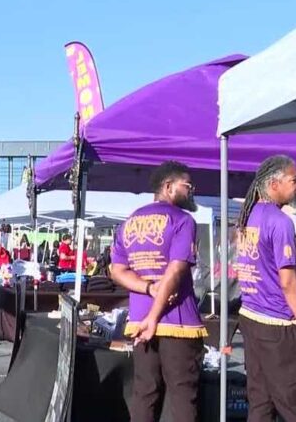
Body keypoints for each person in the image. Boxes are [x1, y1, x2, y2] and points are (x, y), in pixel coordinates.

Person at [110, 160, 207, 422]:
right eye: (187, 185)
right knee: (183, 394)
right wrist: (155, 315)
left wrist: (148, 288)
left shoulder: (129, 222)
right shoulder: (183, 220)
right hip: (177, 320)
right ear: (168, 186)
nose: (191, 191)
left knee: (145, 393)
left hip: (140, 319)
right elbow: (175, 271)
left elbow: (117, 270)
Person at [234, 155, 296, 422]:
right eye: (294, 180)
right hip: (278, 325)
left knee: (261, 403)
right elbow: (289, 282)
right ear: (273, 184)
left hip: (250, 317)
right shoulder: (280, 222)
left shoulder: (247, 218)